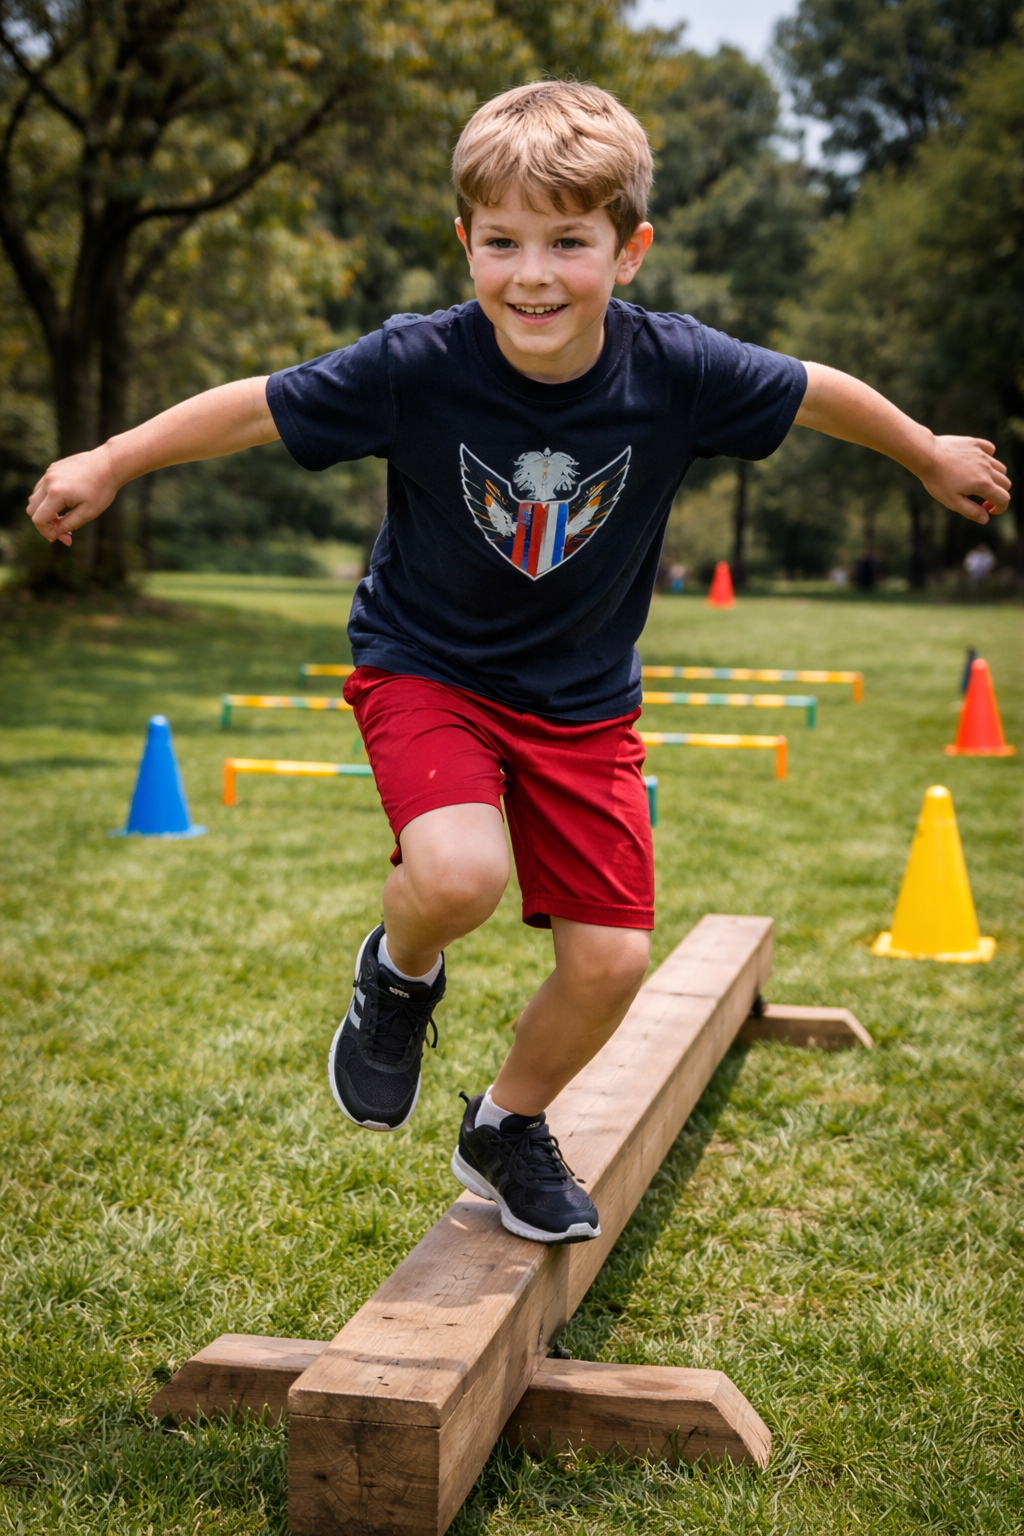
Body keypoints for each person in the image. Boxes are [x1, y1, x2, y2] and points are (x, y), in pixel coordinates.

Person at [26, 82, 1011, 1246]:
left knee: (611, 962)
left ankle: (505, 1123)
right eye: (501, 242)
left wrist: (920, 450)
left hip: (583, 703)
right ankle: (396, 977)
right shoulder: (417, 364)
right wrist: (112, 459)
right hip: (427, 665)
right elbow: (252, 409)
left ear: (628, 251)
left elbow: (811, 393)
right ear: (465, 243)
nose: (531, 274)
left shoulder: (677, 369)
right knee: (457, 878)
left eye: (567, 243)